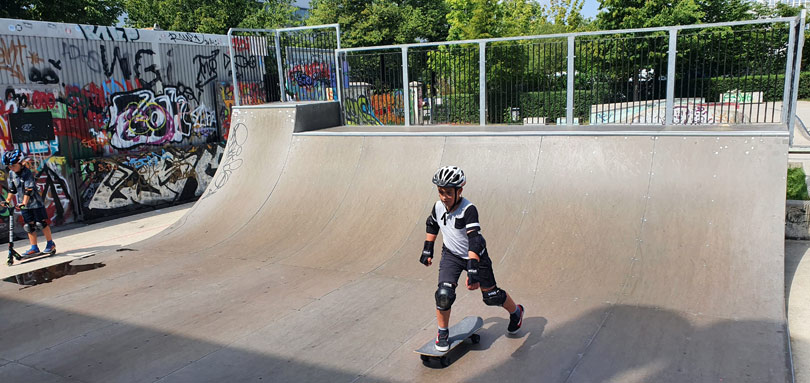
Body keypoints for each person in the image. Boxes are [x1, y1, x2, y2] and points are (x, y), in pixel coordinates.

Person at [420, 165, 524, 351]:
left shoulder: (469, 209)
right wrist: (428, 249)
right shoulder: (438, 206)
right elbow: (432, 223)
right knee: (444, 295)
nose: (444, 197)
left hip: (476, 257)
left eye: (449, 192)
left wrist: (473, 269)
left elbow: (474, 240)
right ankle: (442, 332)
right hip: (451, 255)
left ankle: (516, 312)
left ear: (459, 190)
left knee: (491, 297)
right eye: (440, 192)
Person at [2, 149, 55, 257]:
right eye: (9, 166)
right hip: (24, 205)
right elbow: (12, 190)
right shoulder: (12, 174)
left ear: (21, 163)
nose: (11, 168)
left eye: (13, 165)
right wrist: (7, 201)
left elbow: (28, 189)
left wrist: (24, 202)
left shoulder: (27, 173)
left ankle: (51, 244)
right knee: (28, 226)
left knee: (41, 223)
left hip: (35, 203)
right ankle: (34, 247)